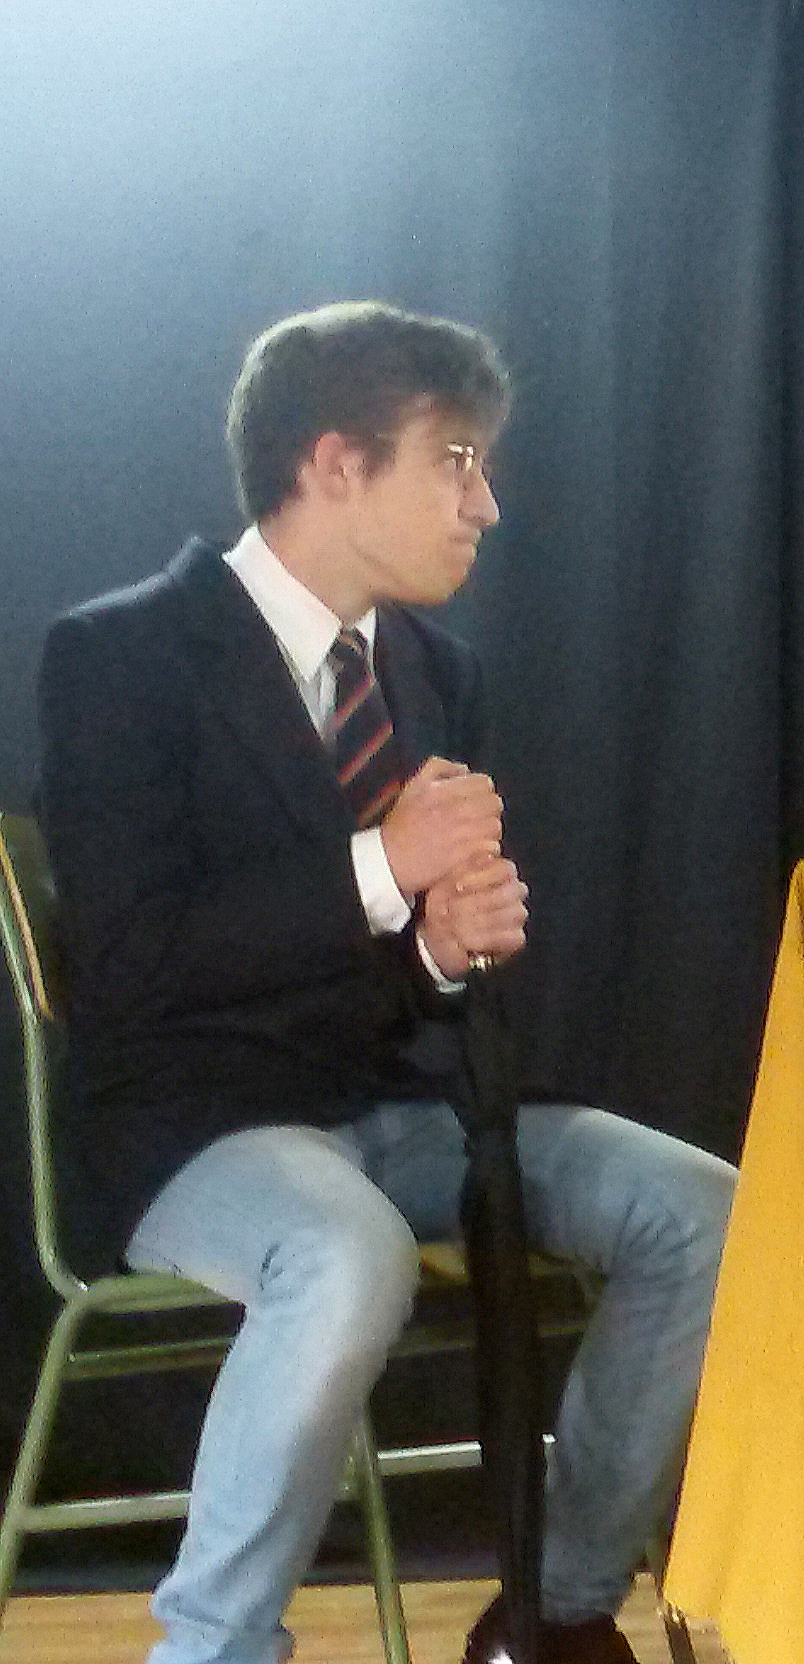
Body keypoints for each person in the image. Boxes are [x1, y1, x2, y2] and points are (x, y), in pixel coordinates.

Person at [36, 302, 738, 1664]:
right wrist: (382, 867)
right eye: (456, 460)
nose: (487, 504)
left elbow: (401, 983)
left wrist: (440, 949)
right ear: (336, 464)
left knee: (707, 1215)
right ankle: (212, 1649)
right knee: (347, 1251)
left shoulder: (431, 673)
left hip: (403, 1112)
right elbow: (125, 967)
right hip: (193, 1124)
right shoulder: (121, 656)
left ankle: (557, 1611)